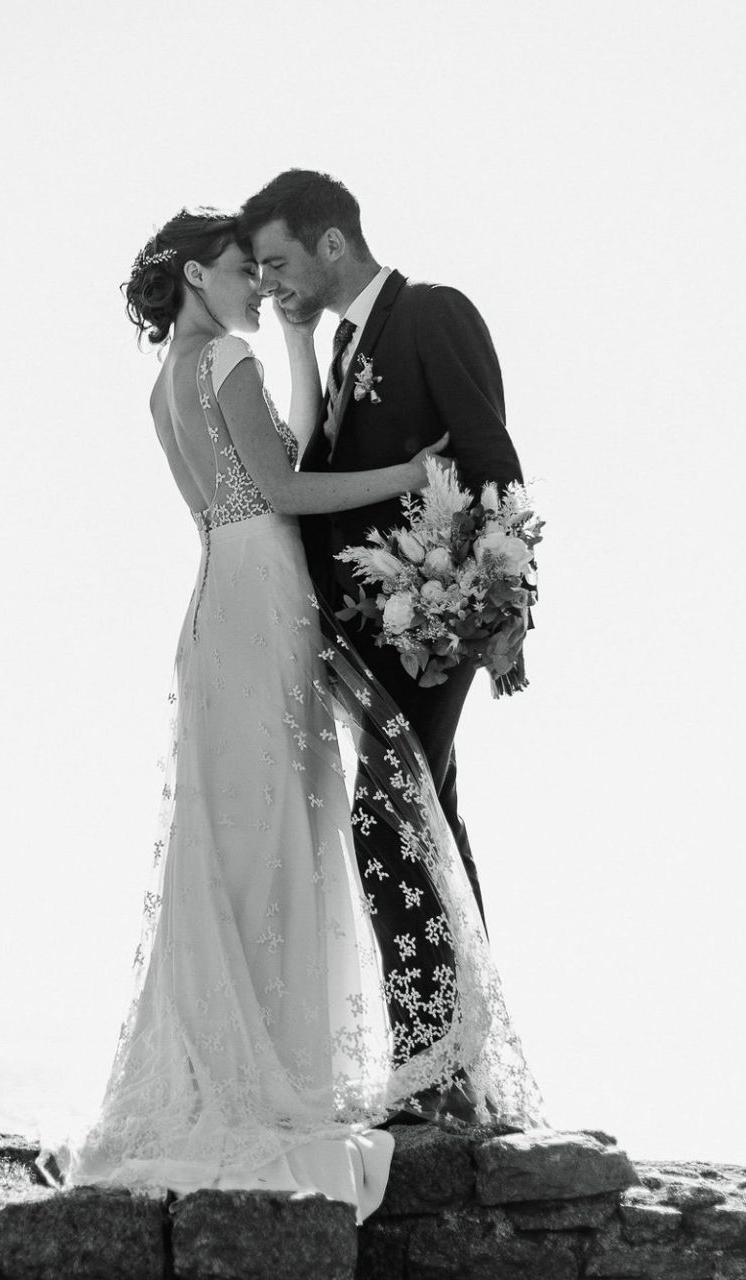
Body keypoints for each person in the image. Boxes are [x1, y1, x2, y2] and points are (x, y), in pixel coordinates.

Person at [64, 208, 537, 1222]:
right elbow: (283, 483)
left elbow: (269, 458)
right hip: (261, 601)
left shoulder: (169, 380)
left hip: (216, 597)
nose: (257, 287)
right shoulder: (224, 355)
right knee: (280, 840)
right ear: (199, 272)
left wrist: (294, 342)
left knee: (237, 847)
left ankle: (229, 1069)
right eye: (244, 271)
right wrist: (413, 476)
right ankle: (281, 1073)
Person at [239, 171, 526, 1120]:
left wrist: (508, 610)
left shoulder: (432, 315)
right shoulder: (336, 345)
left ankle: (431, 1064)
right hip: (366, 646)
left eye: (278, 261)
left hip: (439, 624)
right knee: (431, 824)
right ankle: (469, 1071)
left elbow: (493, 461)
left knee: (383, 821)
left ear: (331, 246)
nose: (270, 280)